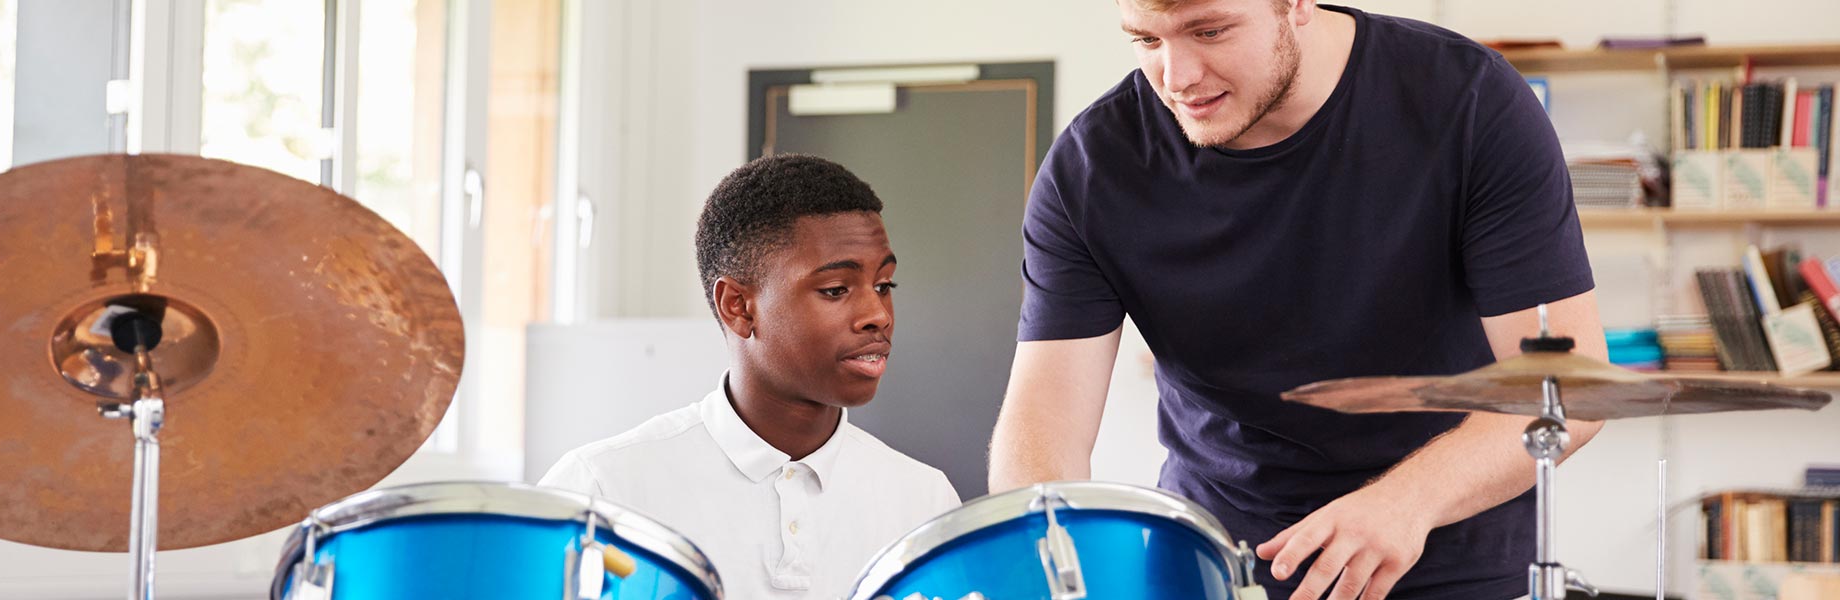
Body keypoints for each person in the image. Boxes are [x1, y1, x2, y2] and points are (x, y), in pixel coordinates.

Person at [986, 1, 1609, 599]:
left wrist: (1403, 503)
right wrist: (1043, 558)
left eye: (1209, 32)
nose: (1176, 80)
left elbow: (1567, 388)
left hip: (1448, 544)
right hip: (1219, 561)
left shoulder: (1470, 100)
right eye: (1147, 40)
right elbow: (1046, 418)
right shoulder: (1090, 167)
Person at [540, 154, 960, 599]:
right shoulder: (603, 490)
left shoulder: (924, 501)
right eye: (836, 290)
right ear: (738, 306)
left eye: (884, 286)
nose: (878, 315)